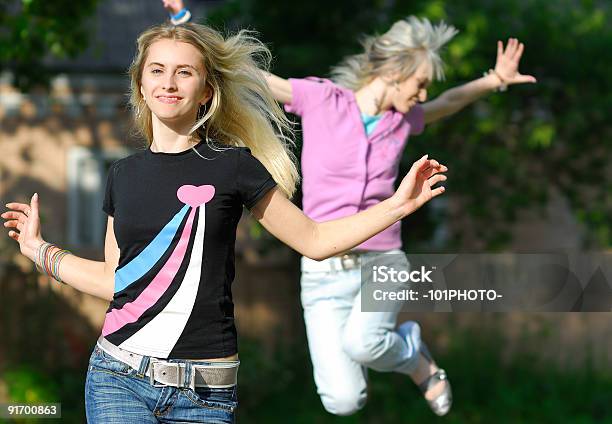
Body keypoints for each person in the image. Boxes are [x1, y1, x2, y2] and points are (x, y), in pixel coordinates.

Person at [1, 22, 448, 423]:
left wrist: (396, 206)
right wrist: (40, 250)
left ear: (207, 90)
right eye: (156, 70)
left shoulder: (234, 166)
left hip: (205, 391)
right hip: (118, 375)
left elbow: (314, 239)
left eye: (184, 72)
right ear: (140, 84)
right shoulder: (122, 175)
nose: (169, 82)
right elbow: (115, 282)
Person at [264, 16, 536, 416]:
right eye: (420, 83)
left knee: (364, 343)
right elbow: (258, 80)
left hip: (383, 262)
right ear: (394, 72)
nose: (424, 94)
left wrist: (494, 79)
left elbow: (450, 102)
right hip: (323, 271)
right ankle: (408, 347)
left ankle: (417, 361)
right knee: (342, 401)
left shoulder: (403, 120)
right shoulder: (322, 100)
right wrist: (187, 29)